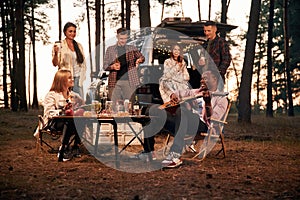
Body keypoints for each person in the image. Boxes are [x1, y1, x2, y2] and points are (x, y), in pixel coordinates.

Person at [41, 69, 85, 162]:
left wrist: (80, 104)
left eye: (72, 77)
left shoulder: (73, 95)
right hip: (54, 123)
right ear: (62, 80)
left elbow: (83, 105)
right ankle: (63, 149)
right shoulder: (51, 95)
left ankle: (76, 146)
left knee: (81, 119)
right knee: (69, 121)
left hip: (70, 121)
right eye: (69, 78)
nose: (72, 79)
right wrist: (63, 110)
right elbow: (49, 113)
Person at [103, 28, 145, 104]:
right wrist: (113, 67)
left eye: (125, 38)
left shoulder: (132, 48)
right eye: (121, 39)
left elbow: (142, 57)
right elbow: (105, 66)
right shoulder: (110, 49)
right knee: (113, 106)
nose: (123, 41)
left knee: (129, 106)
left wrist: (139, 60)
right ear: (117, 37)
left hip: (130, 81)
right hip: (114, 82)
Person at [52, 22, 86, 97]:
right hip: (66, 78)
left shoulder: (79, 46)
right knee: (66, 100)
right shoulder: (60, 45)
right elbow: (55, 64)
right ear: (65, 32)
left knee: (79, 101)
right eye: (70, 31)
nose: (73, 33)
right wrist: (55, 53)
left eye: (74, 31)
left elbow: (83, 63)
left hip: (78, 78)